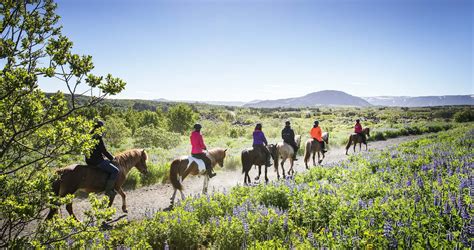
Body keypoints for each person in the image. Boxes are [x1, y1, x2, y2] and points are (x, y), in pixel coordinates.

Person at [85, 120, 119, 201]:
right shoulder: (98, 137)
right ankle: (108, 191)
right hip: (97, 161)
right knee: (115, 171)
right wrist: (112, 158)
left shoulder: (89, 135)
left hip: (88, 160)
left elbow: (95, 150)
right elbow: (104, 151)